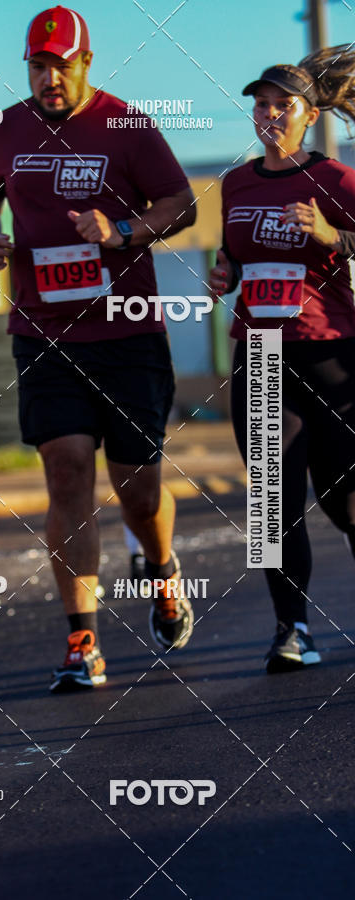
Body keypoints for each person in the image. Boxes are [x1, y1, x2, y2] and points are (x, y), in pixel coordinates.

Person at [0, 6, 196, 693]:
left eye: (60, 66)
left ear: (86, 63)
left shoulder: (126, 124)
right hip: (43, 332)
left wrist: (122, 230)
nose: (49, 79)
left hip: (127, 333)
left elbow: (180, 203)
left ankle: (161, 570)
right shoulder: (5, 130)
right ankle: (82, 639)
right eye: (37, 67)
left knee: (138, 490)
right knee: (66, 473)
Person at [209, 46, 355, 672]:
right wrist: (225, 274)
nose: (269, 115)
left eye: (282, 106)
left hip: (330, 353)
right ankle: (291, 629)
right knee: (273, 504)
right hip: (262, 353)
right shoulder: (237, 183)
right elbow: (234, 255)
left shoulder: (336, 179)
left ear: (309, 116)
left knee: (346, 500)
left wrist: (330, 235)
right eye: (260, 105)